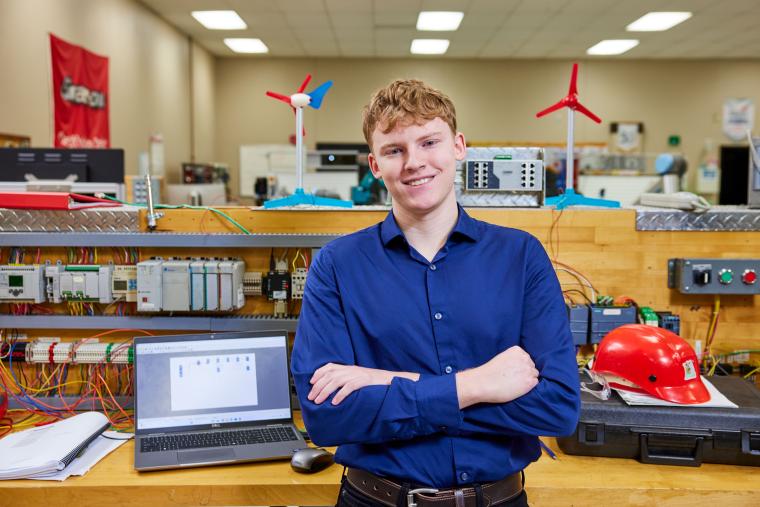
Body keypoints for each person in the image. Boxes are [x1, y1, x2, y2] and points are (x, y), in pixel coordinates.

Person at [291, 79, 580, 507]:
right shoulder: (336, 266)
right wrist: (479, 384)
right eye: (394, 150)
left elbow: (556, 407)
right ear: (374, 164)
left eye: (429, 142)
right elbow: (328, 417)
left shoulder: (521, 257)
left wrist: (390, 382)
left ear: (458, 146)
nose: (414, 162)